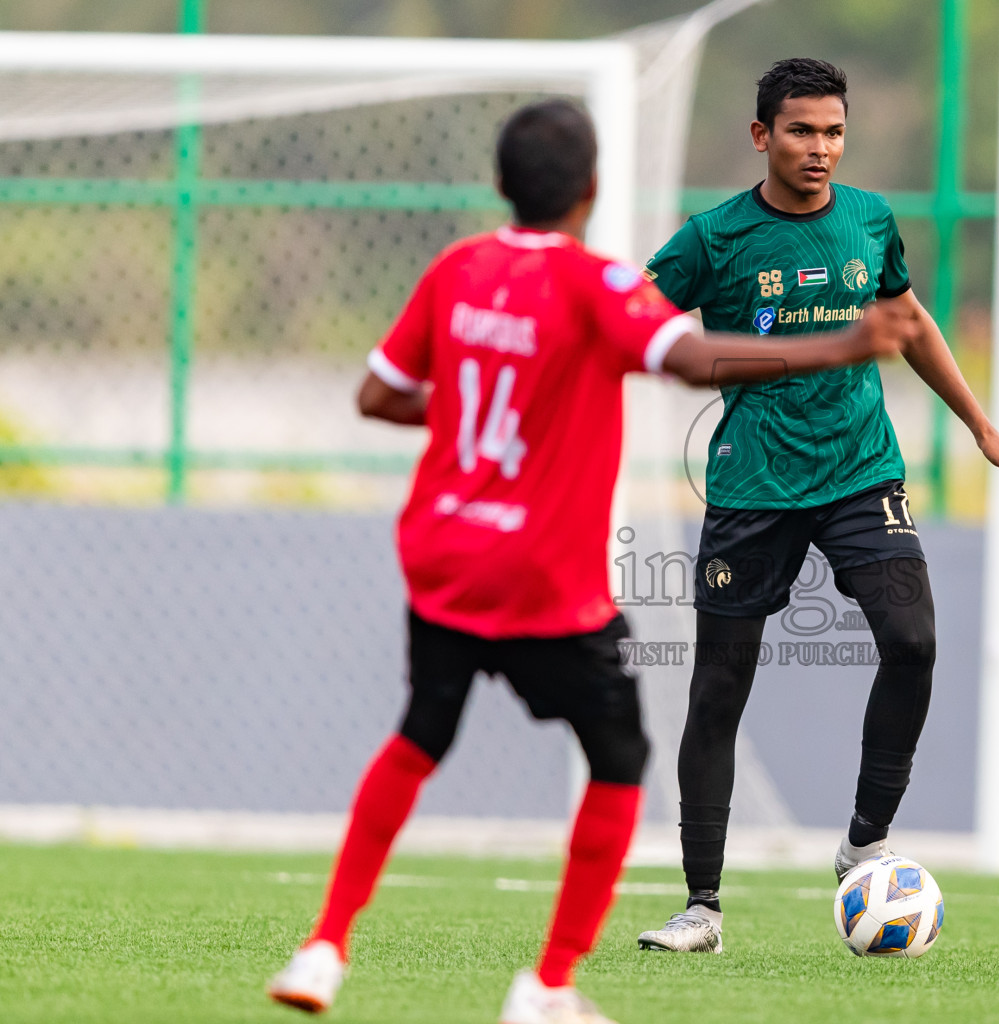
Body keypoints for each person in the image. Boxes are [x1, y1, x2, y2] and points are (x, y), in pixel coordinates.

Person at [264, 97, 917, 1023]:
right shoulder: (592, 285)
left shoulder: (458, 270)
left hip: (444, 554)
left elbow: (379, 394)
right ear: (593, 191)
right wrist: (841, 343)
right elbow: (688, 360)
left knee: (418, 740)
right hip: (541, 575)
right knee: (619, 755)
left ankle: (325, 946)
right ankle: (551, 986)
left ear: (500, 186)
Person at [635, 58, 999, 955]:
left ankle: (865, 841)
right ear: (761, 137)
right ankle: (701, 905)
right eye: (800, 131)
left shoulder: (869, 221)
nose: (819, 149)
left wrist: (981, 425)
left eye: (833, 132)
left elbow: (909, 320)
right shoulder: (714, 239)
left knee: (914, 639)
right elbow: (640, 330)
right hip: (753, 486)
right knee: (718, 690)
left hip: (861, 470)